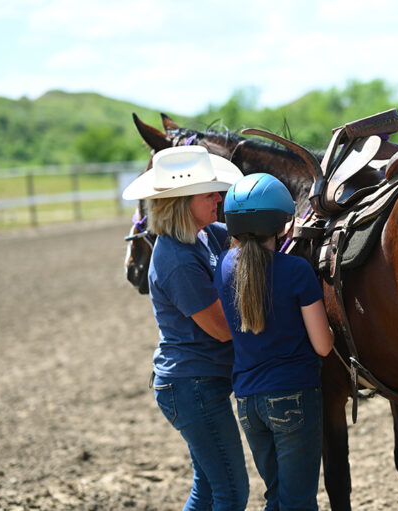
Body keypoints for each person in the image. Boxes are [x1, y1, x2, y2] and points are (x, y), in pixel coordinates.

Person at [122, 145, 250, 511]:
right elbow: (223, 329)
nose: (217, 197)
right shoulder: (176, 258)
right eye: (208, 193)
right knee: (231, 492)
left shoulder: (206, 235)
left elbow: (251, 233)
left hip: (197, 383)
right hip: (192, 387)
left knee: (209, 489)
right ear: (182, 201)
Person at [215, 173, 334, 511]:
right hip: (294, 397)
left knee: (278, 497)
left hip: (249, 403)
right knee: (298, 502)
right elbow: (323, 345)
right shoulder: (296, 270)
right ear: (283, 224)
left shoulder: (223, 267)